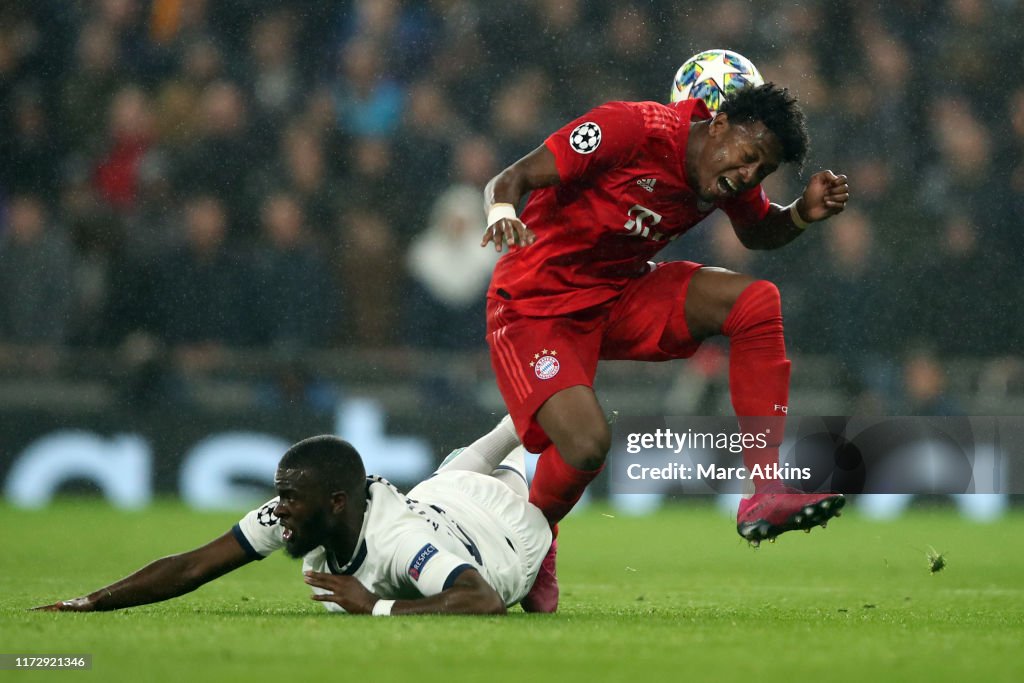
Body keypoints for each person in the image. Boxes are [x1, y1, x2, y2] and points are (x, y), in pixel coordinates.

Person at [481, 83, 850, 612]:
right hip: (537, 302)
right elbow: (510, 178)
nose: (749, 177)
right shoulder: (630, 129)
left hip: (620, 295)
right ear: (718, 124)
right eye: (749, 159)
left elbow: (756, 232)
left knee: (755, 301)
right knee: (586, 445)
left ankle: (766, 491)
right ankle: (534, 543)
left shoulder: (727, 171)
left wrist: (797, 215)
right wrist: (501, 213)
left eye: (763, 172)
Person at [35, 418, 551, 616]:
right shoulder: (302, 513)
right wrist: (91, 602)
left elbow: (481, 599)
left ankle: (541, 442)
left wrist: (375, 607)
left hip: (509, 542)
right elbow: (194, 566)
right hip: (444, 499)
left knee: (524, 483)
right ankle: (518, 419)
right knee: (473, 458)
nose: (279, 507)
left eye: (289, 497)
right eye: (279, 495)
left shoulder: (397, 543)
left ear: (336, 503)